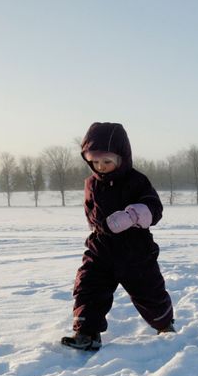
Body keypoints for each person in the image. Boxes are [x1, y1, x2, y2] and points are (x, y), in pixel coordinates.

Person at [61, 122, 175, 351]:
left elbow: (154, 208)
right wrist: (97, 224)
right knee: (88, 286)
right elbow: (90, 209)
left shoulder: (136, 180)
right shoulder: (91, 183)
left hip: (134, 249)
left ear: (122, 157)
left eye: (107, 161)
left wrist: (132, 216)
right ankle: (87, 332)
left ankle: (164, 324)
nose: (100, 167)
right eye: (95, 161)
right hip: (101, 247)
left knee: (148, 290)